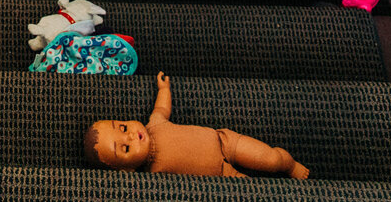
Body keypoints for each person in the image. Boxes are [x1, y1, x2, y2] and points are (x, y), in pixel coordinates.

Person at [83, 72, 310, 178]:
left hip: (224, 142)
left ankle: (288, 165)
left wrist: (164, 90)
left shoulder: (154, 125)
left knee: (270, 159)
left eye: (123, 128)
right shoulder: (154, 173)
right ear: (128, 170)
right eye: (125, 148)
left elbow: (162, 109)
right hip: (221, 175)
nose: (131, 136)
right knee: (255, 194)